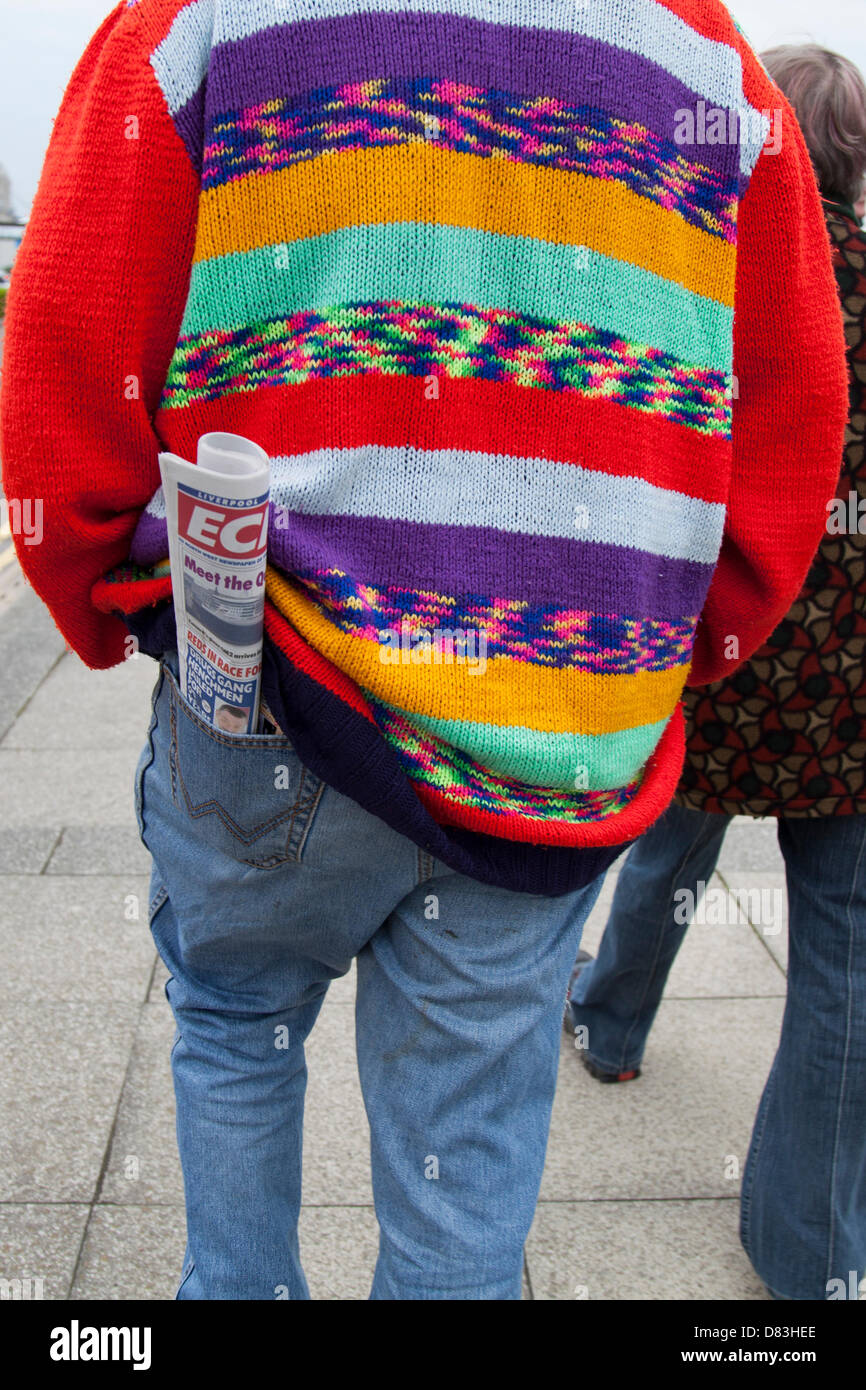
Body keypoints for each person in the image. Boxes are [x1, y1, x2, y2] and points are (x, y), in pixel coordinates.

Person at [0, 1, 848, 1300]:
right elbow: (790, 411)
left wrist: (104, 595)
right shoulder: (706, 63)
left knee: (236, 1022)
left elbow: (68, 334)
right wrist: (686, 642)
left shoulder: (201, 18)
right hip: (559, 720)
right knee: (468, 1126)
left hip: (263, 689)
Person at [565, 43, 866, 1304]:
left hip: (720, 645)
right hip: (852, 685)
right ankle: (805, 1249)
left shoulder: (704, 283)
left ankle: (608, 1026)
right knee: (846, 955)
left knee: (668, 852)